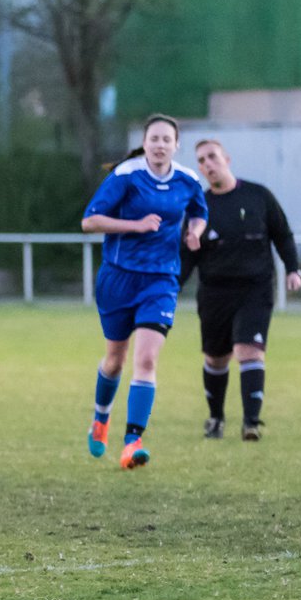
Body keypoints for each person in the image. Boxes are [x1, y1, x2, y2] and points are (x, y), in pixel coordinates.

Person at [81, 114, 208, 470]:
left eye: (167, 139)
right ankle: (100, 418)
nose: (160, 145)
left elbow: (200, 212)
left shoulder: (187, 180)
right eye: (154, 138)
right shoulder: (126, 176)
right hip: (118, 279)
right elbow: (90, 221)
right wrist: (135, 225)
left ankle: (132, 441)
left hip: (161, 281)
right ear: (145, 141)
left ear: (176, 144)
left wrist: (195, 231)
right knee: (115, 360)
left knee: (147, 359)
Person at [181, 138, 301, 441]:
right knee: (215, 358)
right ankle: (216, 418)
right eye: (201, 160)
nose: (207, 164)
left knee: (249, 350)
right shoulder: (199, 208)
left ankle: (251, 422)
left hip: (255, 290)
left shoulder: (258, 196)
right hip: (214, 294)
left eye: (212, 157)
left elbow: (282, 235)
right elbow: (186, 257)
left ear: (227, 158)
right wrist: (170, 289)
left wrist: (292, 269)